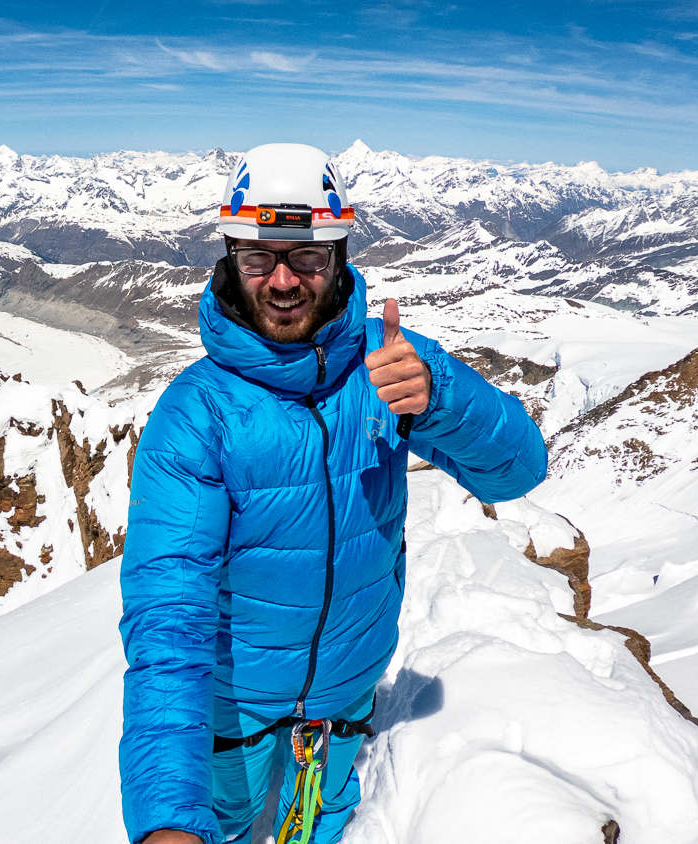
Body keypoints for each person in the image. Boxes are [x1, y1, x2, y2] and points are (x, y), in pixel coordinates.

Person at [118, 143, 547, 844]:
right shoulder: (196, 416)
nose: (283, 279)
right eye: (259, 256)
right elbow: (169, 620)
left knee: (320, 824)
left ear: (340, 256)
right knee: (223, 825)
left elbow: (518, 471)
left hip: (344, 697)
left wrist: (438, 402)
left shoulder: (393, 364)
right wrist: (167, 816)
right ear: (230, 259)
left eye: (308, 256)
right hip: (236, 714)